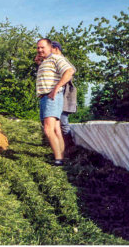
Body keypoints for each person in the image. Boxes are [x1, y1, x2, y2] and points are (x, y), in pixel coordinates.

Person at [35, 38, 75, 166]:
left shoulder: (56, 58)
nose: (40, 50)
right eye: (38, 48)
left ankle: (58, 159)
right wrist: (39, 62)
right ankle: (61, 157)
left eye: (43, 47)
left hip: (51, 96)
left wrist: (56, 89)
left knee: (48, 129)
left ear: (50, 47)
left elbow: (70, 71)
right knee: (56, 129)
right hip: (45, 97)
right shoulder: (46, 61)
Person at [50, 41, 77, 149]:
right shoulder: (55, 61)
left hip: (64, 95)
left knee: (63, 121)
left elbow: (72, 70)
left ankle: (70, 147)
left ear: (56, 49)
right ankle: (62, 146)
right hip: (57, 95)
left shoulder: (62, 60)